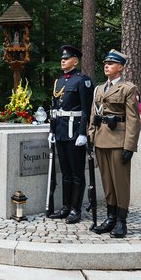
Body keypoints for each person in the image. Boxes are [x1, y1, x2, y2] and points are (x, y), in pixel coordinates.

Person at [87, 49, 140, 237]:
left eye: (111, 64)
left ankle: (121, 221)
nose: (106, 66)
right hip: (101, 140)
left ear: (121, 67)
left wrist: (130, 146)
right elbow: (94, 114)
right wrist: (90, 136)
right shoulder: (99, 89)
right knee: (107, 182)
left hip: (118, 141)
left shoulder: (128, 88)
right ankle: (110, 218)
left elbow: (134, 119)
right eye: (105, 64)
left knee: (120, 182)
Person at [47, 45, 93, 224]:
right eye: (62, 58)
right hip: (60, 132)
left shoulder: (83, 80)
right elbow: (54, 109)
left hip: (74, 133)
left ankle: (76, 209)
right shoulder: (58, 81)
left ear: (75, 61)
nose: (63, 61)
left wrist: (83, 133)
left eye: (66, 58)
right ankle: (65, 207)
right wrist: (52, 130)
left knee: (76, 173)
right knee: (65, 173)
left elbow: (86, 109)